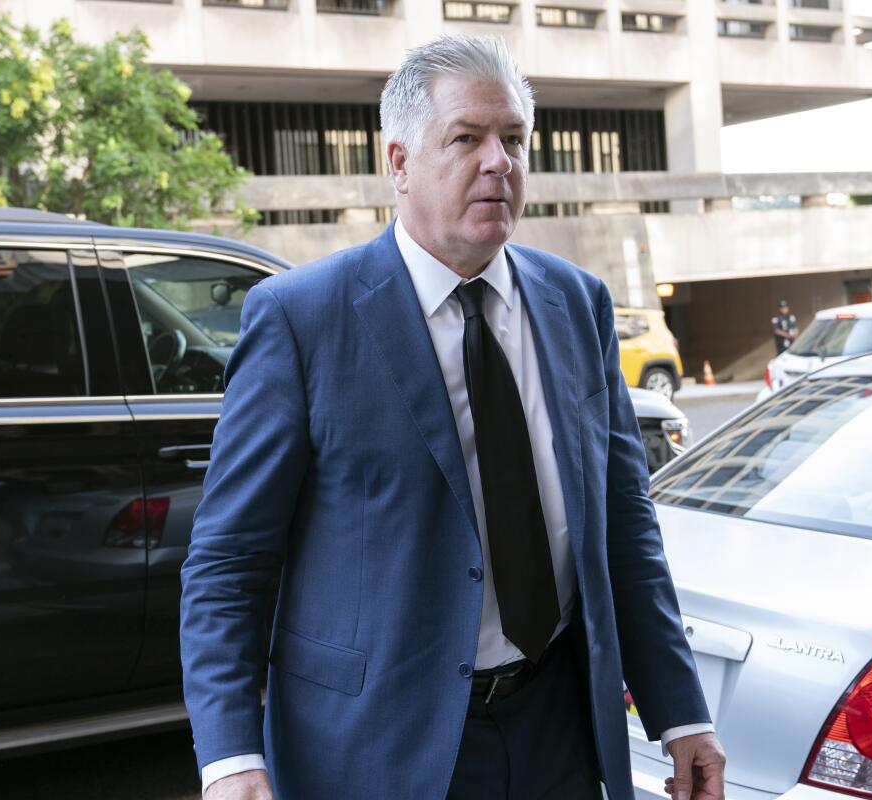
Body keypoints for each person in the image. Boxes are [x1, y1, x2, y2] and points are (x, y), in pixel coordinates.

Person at [180, 35, 726, 800]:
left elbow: (624, 527)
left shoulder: (578, 304)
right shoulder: (302, 320)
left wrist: (680, 713)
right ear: (398, 162)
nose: (498, 161)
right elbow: (229, 563)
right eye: (467, 138)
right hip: (379, 748)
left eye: (513, 139)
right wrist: (231, 756)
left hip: (559, 729)